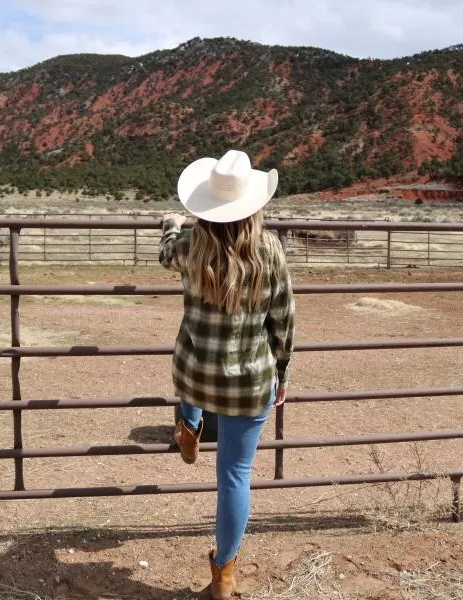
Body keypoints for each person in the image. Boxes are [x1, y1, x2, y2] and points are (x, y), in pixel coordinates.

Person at [159, 149, 295, 600]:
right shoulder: (270, 250)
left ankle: (191, 426)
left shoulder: (189, 246)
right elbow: (283, 320)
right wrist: (283, 372)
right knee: (235, 476)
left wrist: (170, 224)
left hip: (196, 375)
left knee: (189, 375)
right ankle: (224, 575)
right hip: (250, 380)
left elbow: (164, 255)